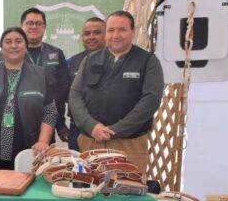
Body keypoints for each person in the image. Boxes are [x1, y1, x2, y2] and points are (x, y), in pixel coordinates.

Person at [68, 11, 164, 175]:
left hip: (129, 145)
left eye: (122, 30)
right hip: (91, 142)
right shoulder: (90, 59)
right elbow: (75, 96)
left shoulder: (148, 61)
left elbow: (151, 100)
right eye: (111, 30)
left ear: (132, 32)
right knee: (88, 192)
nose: (116, 35)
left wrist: (116, 130)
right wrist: (92, 126)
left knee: (127, 193)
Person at [0, 27, 56, 170]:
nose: (13, 45)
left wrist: (42, 142)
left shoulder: (40, 75)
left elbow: (50, 112)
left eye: (18, 41)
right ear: (1, 47)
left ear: (26, 46)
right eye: (8, 41)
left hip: (28, 153)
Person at [0, 8, 69, 144]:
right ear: (22, 26)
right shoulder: (7, 53)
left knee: (43, 161)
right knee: (11, 160)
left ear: (45, 27)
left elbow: (63, 87)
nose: (34, 26)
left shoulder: (56, 53)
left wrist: (59, 122)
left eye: (38, 23)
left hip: (48, 122)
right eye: (29, 23)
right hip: (13, 122)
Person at [65, 17, 106, 150]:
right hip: (78, 129)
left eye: (97, 32)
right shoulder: (71, 63)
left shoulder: (117, 61)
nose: (91, 37)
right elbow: (60, 95)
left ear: (107, 35)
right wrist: (60, 125)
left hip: (108, 130)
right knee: (78, 170)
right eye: (87, 34)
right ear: (82, 37)